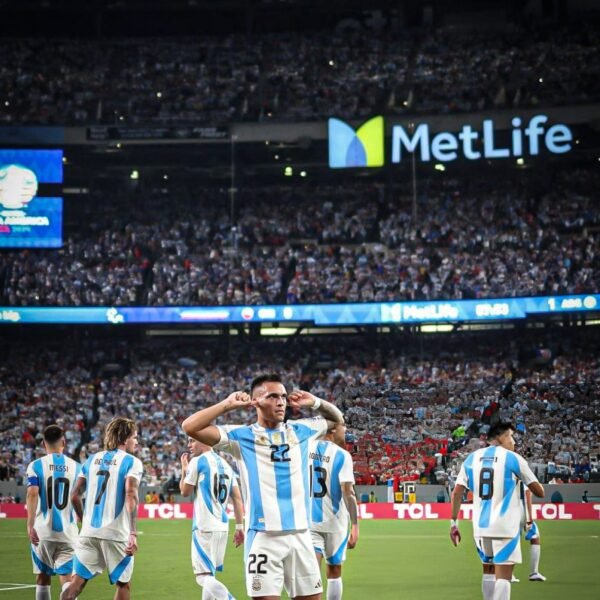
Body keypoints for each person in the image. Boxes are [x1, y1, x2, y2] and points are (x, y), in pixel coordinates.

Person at [181, 373, 344, 600]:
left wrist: (315, 402)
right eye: (273, 396)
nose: (281, 402)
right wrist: (227, 405)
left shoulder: (301, 430)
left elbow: (338, 419)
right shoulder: (241, 436)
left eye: (284, 397)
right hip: (263, 538)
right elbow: (190, 426)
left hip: (301, 535)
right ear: (256, 401)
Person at [449, 422, 544, 600]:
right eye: (510, 436)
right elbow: (539, 491)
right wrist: (522, 476)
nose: (514, 441)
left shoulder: (471, 459)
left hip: (480, 527)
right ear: (500, 437)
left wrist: (454, 523)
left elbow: (457, 493)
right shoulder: (513, 458)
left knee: (488, 570)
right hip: (505, 526)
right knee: (504, 576)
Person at [61, 417, 143, 600]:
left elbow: (74, 495)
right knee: (123, 584)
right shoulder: (132, 462)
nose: (136, 441)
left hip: (88, 532)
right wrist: (133, 533)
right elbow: (130, 494)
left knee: (76, 584)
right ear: (124, 438)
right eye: (134, 437)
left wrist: (84, 519)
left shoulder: (92, 459)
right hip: (116, 534)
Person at [179, 436, 245, 600]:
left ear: (204, 440)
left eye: (192, 441)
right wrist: (239, 527)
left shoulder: (197, 461)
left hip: (204, 526)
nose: (189, 445)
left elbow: (184, 492)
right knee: (210, 575)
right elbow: (237, 498)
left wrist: (184, 470)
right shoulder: (226, 465)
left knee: (202, 577)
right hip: (222, 527)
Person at [26, 424, 81, 600]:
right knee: (67, 580)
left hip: (42, 532)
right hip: (68, 532)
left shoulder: (35, 466)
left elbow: (32, 493)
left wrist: (30, 525)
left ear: (43, 444)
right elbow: (78, 497)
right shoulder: (77, 468)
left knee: (43, 578)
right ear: (63, 442)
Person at [309, 422, 359, 600]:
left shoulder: (304, 449)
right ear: (332, 429)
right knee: (335, 571)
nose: (345, 431)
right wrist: (355, 526)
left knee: (310, 574)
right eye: (343, 426)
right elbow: (348, 493)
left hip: (310, 522)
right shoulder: (342, 455)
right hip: (336, 524)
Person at [511, 484, 545, 583]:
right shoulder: (522, 473)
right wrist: (529, 517)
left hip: (510, 510)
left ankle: (510, 574)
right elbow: (527, 493)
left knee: (513, 540)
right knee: (534, 536)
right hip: (520, 510)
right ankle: (533, 572)